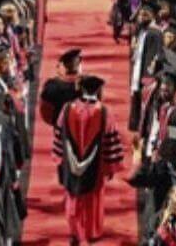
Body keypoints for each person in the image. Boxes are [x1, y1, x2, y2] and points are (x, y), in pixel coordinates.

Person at [53, 75, 125, 245]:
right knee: (92, 198)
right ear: (99, 90)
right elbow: (111, 141)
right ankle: (91, 231)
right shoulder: (104, 112)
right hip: (96, 168)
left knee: (73, 196)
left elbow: (58, 136)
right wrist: (110, 167)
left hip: (70, 165)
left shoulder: (67, 109)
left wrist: (61, 160)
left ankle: (75, 231)